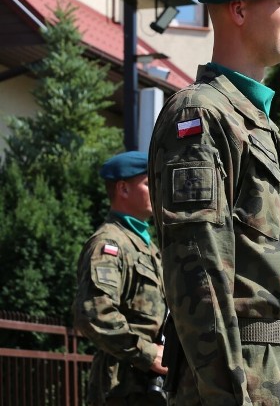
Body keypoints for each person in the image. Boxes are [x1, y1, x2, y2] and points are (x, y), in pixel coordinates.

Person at [148, 0, 280, 404]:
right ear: (240, 10)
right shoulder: (201, 113)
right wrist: (227, 391)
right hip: (247, 378)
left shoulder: (256, 122)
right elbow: (198, 267)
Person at [74, 151, 168, 405]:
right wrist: (148, 353)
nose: (157, 189)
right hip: (122, 387)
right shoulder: (109, 244)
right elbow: (94, 313)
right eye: (149, 183)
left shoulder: (147, 246)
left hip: (150, 386)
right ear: (123, 189)